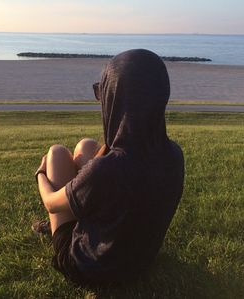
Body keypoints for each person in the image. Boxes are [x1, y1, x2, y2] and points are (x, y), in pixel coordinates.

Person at [33, 49, 184, 286]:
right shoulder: (173, 155)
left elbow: (51, 202)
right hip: (139, 265)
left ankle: (61, 225)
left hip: (88, 268)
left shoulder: (108, 170)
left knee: (57, 154)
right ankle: (81, 201)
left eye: (102, 91)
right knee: (87, 146)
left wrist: (41, 172)